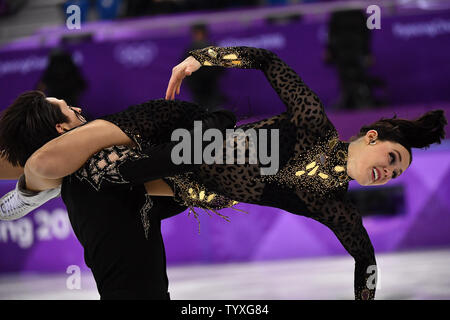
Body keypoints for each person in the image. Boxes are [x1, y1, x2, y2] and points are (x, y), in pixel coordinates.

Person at [1, 47, 447, 300]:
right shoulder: (313, 123)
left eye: (397, 173)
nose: (389, 172)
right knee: (99, 165)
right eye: (392, 159)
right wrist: (204, 57)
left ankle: (41, 185)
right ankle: (38, 184)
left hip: (184, 188)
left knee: (102, 175)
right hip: (186, 142)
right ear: (371, 138)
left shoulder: (332, 205)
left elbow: (365, 260)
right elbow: (271, 63)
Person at [0, 91, 236, 299]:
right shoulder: (96, 173)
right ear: (61, 128)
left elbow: (176, 196)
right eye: (69, 108)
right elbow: (178, 160)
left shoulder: (91, 181)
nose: (78, 108)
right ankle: (29, 193)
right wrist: (222, 118)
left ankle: (30, 192)